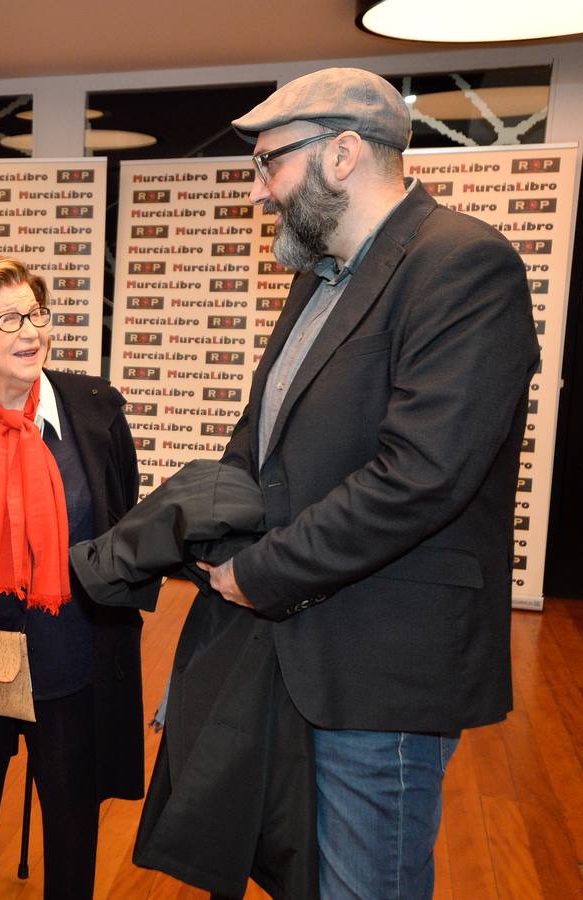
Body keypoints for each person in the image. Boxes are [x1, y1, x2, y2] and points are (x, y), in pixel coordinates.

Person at [196, 67, 539, 899]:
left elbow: (418, 476)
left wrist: (258, 573)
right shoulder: (316, 276)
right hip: (297, 647)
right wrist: (193, 527)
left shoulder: (463, 264)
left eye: (268, 162)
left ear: (341, 154)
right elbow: (264, 443)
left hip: (384, 661)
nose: (258, 193)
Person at [0, 255, 148, 899]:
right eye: (8, 318)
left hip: (70, 658)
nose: (31, 331)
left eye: (36, 313)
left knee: (72, 843)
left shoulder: (94, 413)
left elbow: (118, 523)